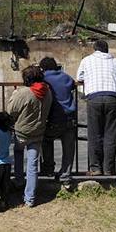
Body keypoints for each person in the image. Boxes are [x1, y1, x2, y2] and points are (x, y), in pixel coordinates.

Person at [76, 40, 116, 176]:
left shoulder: (86, 60)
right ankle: (109, 169)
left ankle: (96, 168)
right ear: (107, 49)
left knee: (94, 134)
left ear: (95, 49)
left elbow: (79, 77)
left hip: (94, 98)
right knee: (111, 134)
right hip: (112, 98)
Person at [8, 65, 52, 207]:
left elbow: (11, 110)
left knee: (18, 152)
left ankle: (19, 180)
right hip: (38, 132)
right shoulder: (48, 92)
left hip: (22, 132)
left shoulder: (24, 92)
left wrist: (14, 95)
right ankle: (30, 198)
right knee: (33, 165)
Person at [39, 57, 76, 187]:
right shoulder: (66, 77)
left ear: (42, 68)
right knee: (69, 147)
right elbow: (72, 85)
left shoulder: (43, 78)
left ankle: (48, 168)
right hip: (69, 117)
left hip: (52, 118)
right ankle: (66, 174)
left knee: (46, 140)